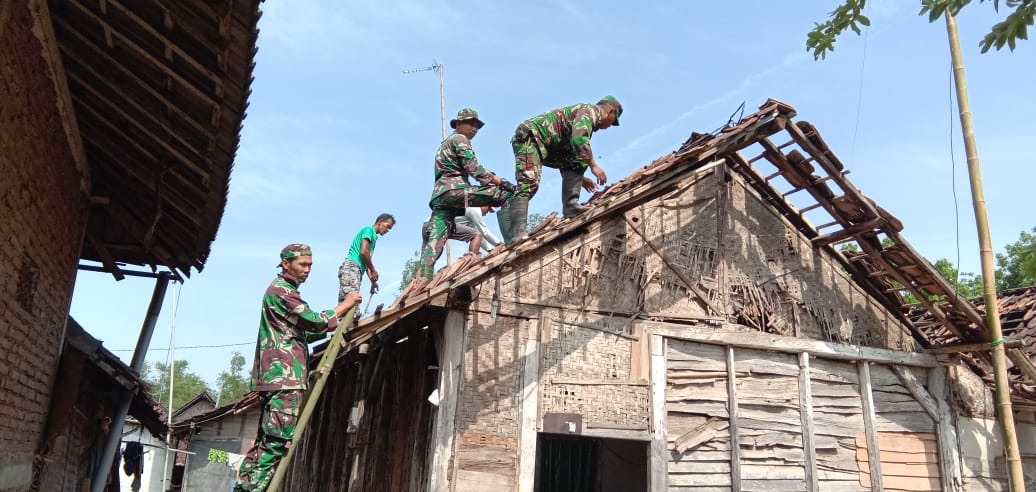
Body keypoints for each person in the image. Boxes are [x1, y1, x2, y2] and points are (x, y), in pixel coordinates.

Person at [235, 244, 362, 491]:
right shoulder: (282, 291)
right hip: (284, 376)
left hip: (278, 375)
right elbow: (312, 321)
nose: (307, 270)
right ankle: (251, 489)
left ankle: (243, 487)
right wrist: (344, 306)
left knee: (267, 439)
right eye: (302, 265)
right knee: (277, 439)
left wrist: (335, 325)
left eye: (310, 265)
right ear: (286, 263)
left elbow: (298, 334)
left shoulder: (281, 291)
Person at [503, 96, 623, 244]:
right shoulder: (589, 112)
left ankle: (571, 207)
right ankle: (516, 235)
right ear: (610, 111)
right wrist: (594, 166)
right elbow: (579, 140)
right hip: (531, 137)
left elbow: (569, 152)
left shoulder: (587, 117)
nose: (609, 126)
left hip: (548, 144)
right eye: (612, 121)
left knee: (578, 161)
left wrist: (579, 177)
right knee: (529, 182)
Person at [421, 108, 515, 280]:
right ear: (458, 124)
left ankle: (422, 280)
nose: (474, 128)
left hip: (441, 196)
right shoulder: (460, 138)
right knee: (506, 195)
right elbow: (474, 168)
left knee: (434, 243)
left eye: (477, 126)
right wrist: (499, 181)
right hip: (455, 190)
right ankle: (513, 242)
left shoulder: (444, 144)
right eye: (470, 124)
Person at [339, 214, 394, 301]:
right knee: (350, 302)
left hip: (357, 270)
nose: (388, 230)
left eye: (390, 229)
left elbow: (366, 261)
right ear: (380, 222)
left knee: (351, 305)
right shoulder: (368, 230)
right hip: (352, 267)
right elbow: (363, 252)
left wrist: (373, 282)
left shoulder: (374, 238)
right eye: (387, 226)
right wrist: (373, 270)